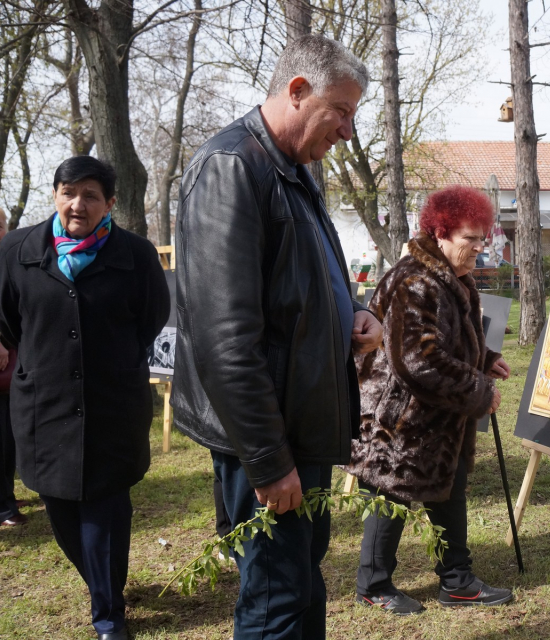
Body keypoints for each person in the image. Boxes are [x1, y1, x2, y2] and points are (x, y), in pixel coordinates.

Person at [171, 34, 381, 640]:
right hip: (266, 437)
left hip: (300, 424)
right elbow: (223, 336)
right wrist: (267, 461)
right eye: (340, 111)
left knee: (299, 578)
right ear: (296, 91)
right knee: (275, 596)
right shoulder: (232, 168)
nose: (347, 131)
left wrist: (353, 313)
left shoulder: (295, 168)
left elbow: (305, 277)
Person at [0, 156, 169, 640]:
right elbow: (8, 321)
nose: (78, 204)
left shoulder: (136, 255)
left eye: (91, 195)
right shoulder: (18, 250)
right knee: (62, 512)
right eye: (68, 192)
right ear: (54, 195)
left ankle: (109, 614)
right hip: (44, 408)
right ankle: (104, 585)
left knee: (106, 513)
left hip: (112, 406)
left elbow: (151, 319)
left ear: (110, 203)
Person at [345, 185, 513, 615]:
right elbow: (418, 360)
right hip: (397, 421)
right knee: (390, 496)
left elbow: (450, 340)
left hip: (435, 417)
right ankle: (373, 583)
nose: (479, 247)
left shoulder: (452, 277)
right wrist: (478, 391)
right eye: (469, 239)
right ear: (440, 234)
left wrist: (485, 358)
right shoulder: (418, 281)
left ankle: (457, 581)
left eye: (482, 238)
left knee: (449, 487)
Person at [0, 207, 23, 528]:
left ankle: (7, 494)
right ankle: (4, 507)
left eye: (1, 223)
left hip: (15, 363)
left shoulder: (9, 256)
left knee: (10, 434)